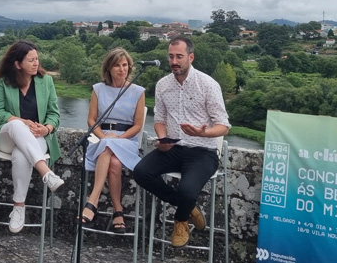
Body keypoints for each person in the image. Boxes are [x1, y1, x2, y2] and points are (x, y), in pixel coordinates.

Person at [133, 36, 230, 247]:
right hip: (174, 147)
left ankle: (181, 219)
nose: (174, 61)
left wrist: (202, 133)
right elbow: (159, 120)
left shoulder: (208, 84)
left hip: (203, 150)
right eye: (171, 56)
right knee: (141, 172)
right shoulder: (162, 85)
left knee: (187, 190)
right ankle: (188, 206)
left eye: (179, 56)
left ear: (191, 57)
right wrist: (162, 138)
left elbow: (224, 125)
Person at [0, 40, 65, 233]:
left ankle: (19, 207)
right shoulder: (4, 83)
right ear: (18, 63)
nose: (36, 63)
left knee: (22, 154)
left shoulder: (46, 81)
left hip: (37, 137)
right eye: (31, 60)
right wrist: (20, 121)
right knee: (15, 124)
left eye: (37, 59)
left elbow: (54, 114)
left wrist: (46, 129)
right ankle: (46, 173)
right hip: (8, 137)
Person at [81, 48, 145, 233]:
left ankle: (92, 201)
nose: (121, 69)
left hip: (127, 139)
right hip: (102, 137)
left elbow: (138, 125)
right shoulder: (98, 89)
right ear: (109, 68)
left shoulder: (138, 92)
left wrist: (118, 138)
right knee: (115, 163)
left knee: (111, 147)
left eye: (125, 65)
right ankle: (118, 210)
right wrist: (103, 137)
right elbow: (91, 120)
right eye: (117, 65)